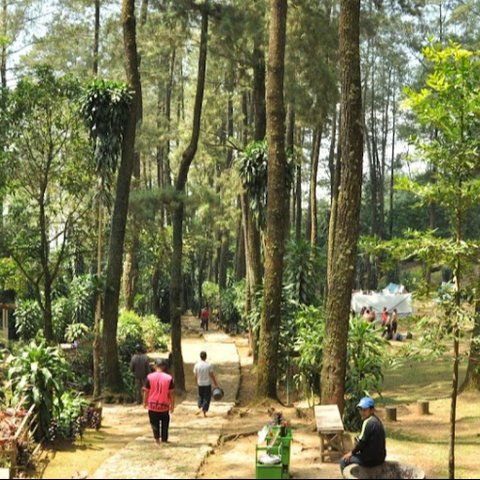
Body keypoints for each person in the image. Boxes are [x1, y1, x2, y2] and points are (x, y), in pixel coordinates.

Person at [340, 396, 386, 474]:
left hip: (371, 459)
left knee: (343, 461)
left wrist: (351, 453)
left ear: (372, 410)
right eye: (360, 410)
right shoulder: (377, 420)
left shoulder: (368, 422)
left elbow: (361, 443)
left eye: (364, 410)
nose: (362, 412)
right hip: (381, 457)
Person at [143, 357, 175, 445]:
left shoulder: (149, 377)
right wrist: (172, 405)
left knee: (154, 423)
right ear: (164, 367)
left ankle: (157, 439)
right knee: (165, 422)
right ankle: (164, 439)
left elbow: (146, 391)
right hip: (164, 405)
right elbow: (171, 393)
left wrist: (145, 402)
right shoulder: (169, 378)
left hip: (153, 405)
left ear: (154, 366)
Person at [193, 351, 218, 417]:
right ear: (206, 357)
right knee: (207, 397)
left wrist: (196, 382)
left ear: (200, 357)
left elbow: (195, 375)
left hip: (200, 383)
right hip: (207, 383)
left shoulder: (197, 365)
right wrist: (215, 383)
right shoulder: (208, 365)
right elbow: (211, 375)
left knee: (200, 396)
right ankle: (204, 410)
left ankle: (200, 405)